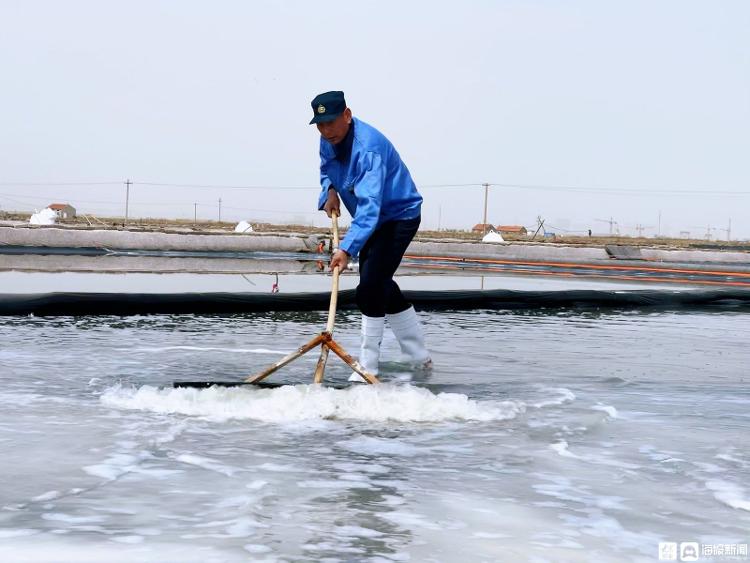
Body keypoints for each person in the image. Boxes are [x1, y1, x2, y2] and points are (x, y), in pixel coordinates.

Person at [309, 90, 431, 381]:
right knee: (380, 284)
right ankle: (418, 357)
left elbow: (370, 208)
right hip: (372, 220)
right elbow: (327, 168)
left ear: (347, 116)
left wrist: (346, 249)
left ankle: (368, 365)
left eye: (331, 123)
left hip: (398, 217)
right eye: (320, 124)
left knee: (370, 287)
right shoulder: (328, 140)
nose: (326, 131)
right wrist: (329, 191)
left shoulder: (369, 150)